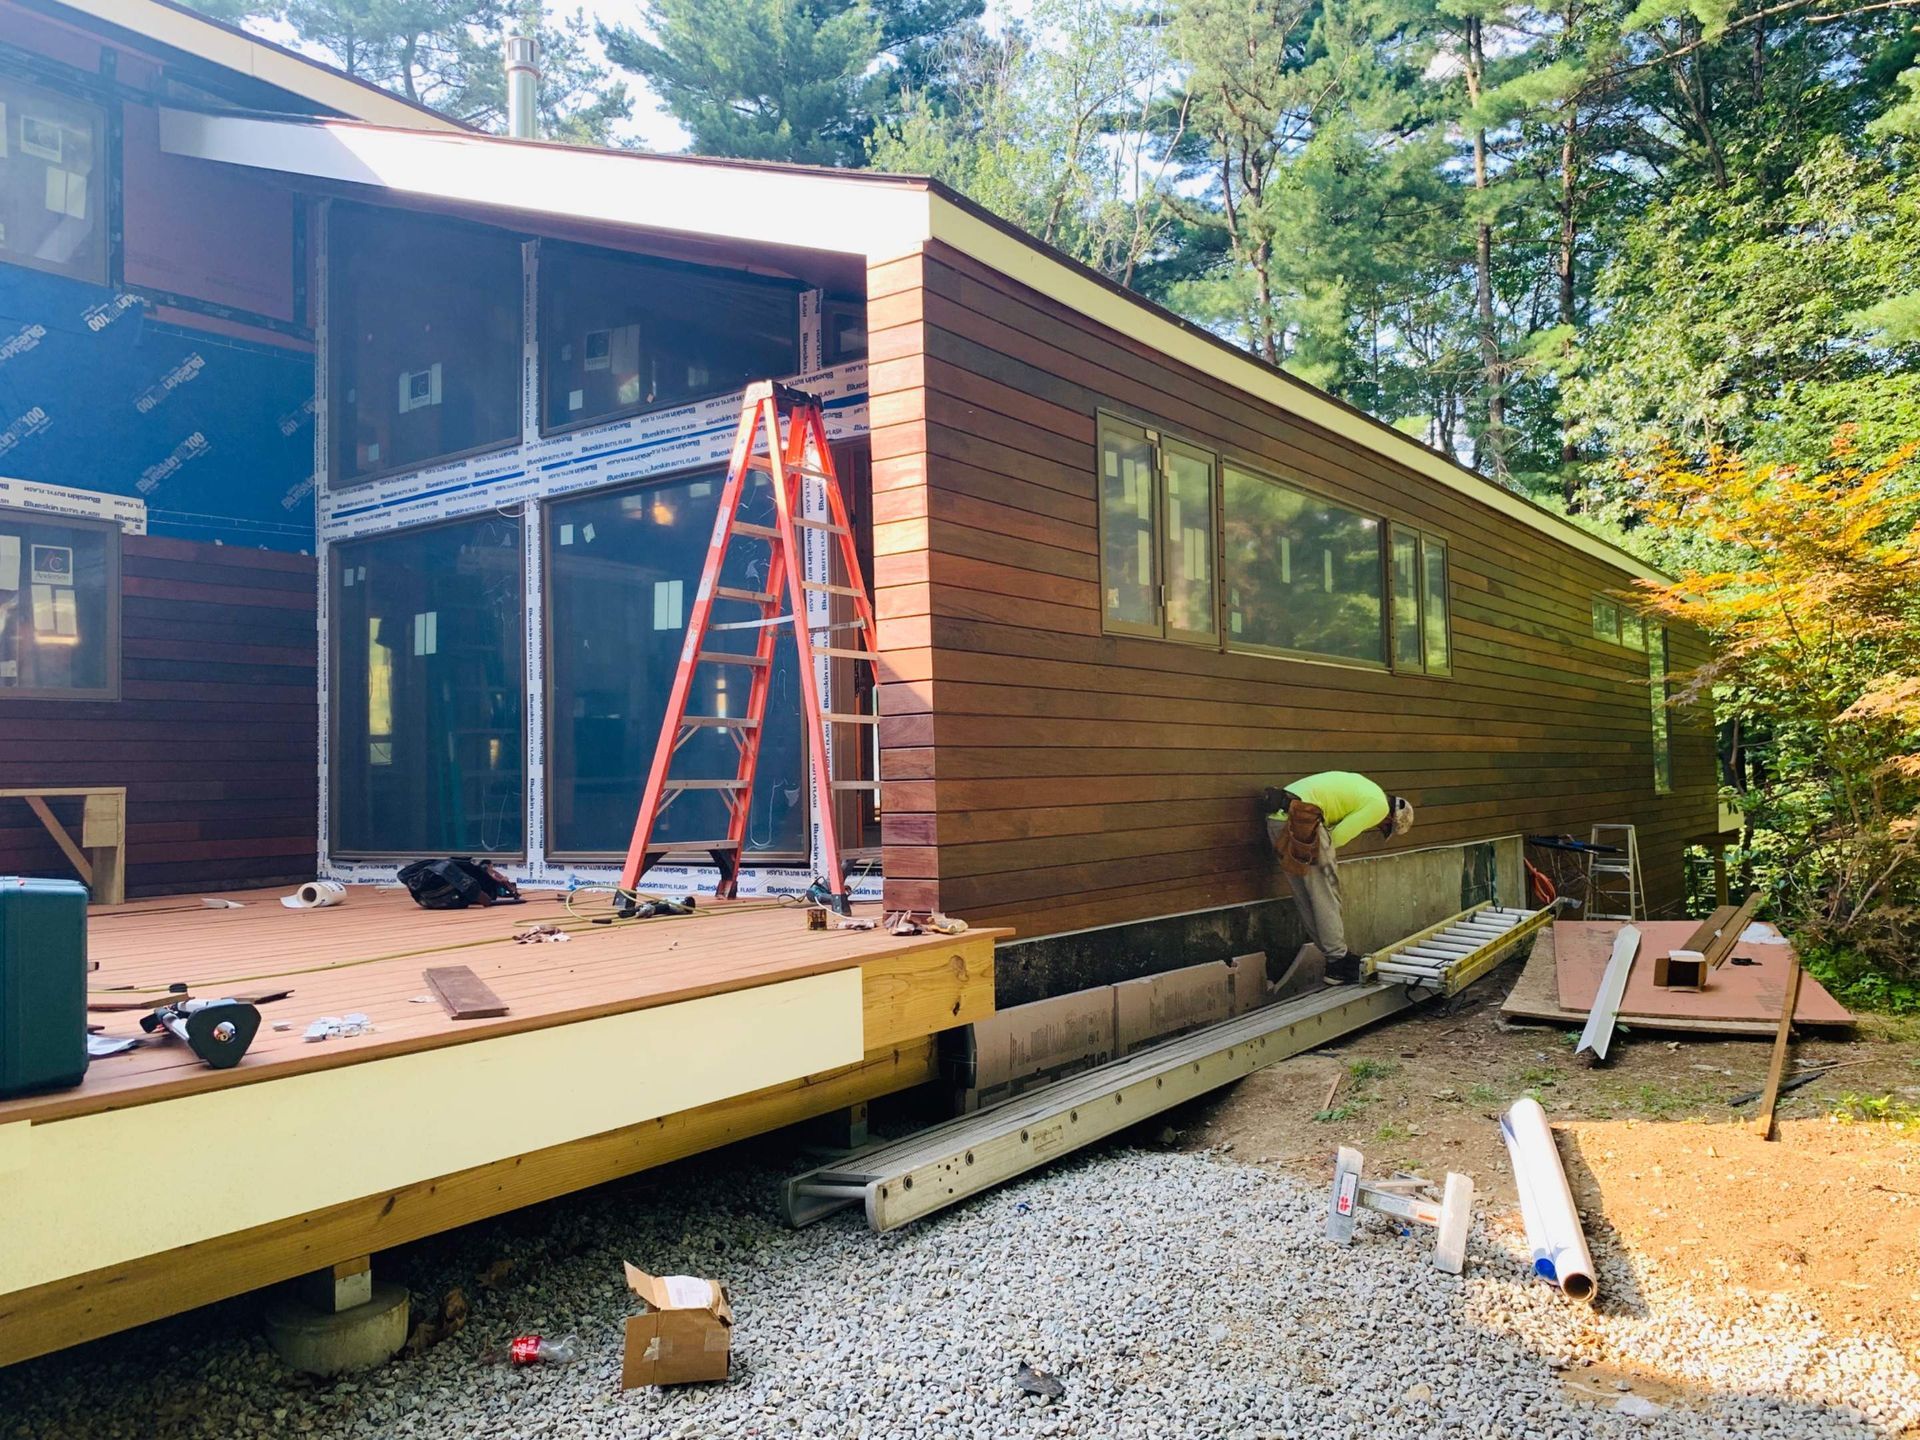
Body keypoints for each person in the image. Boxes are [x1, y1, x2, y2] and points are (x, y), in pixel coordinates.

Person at [1262, 773, 1415, 985]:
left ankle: (1333, 957)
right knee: (1327, 892)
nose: (1377, 826)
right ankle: (1338, 963)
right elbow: (1340, 835)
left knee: (1306, 895)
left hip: (1277, 819)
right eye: (1383, 827)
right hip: (1303, 819)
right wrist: (1326, 857)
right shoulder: (1378, 805)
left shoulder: (1366, 788)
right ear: (1390, 818)